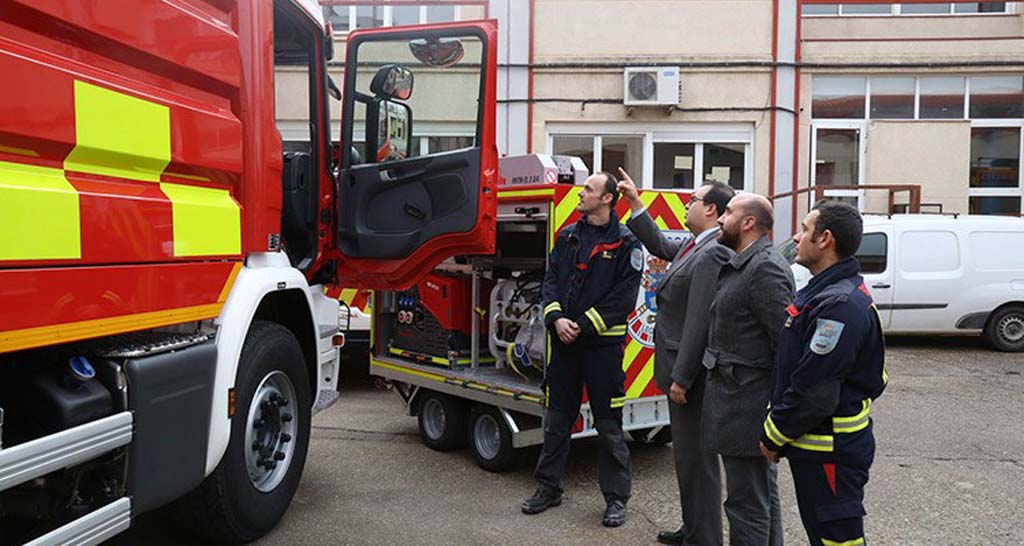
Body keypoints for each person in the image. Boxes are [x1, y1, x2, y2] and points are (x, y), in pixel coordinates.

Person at [759, 201, 887, 546]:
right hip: (818, 447)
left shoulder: (839, 306)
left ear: (825, 239)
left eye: (804, 229)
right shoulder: (823, 293)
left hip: (831, 450)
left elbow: (813, 389)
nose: (797, 237)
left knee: (837, 539)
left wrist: (773, 435)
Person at [617, 170, 734, 546]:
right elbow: (660, 245)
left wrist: (682, 378)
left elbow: (700, 320)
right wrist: (635, 202)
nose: (687, 205)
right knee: (686, 459)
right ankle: (693, 528)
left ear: (712, 209)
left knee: (698, 462)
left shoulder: (714, 249)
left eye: (693, 201)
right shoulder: (694, 243)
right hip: (679, 370)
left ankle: (705, 538)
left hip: (692, 377)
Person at [521, 171, 643, 527]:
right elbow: (551, 282)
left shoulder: (627, 244)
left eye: (588, 189)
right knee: (557, 420)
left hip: (602, 349)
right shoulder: (568, 236)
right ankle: (548, 487)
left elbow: (624, 299)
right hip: (564, 345)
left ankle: (616, 499)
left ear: (607, 198)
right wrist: (556, 319)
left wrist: (583, 324)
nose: (581, 193)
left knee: (609, 427)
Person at [702, 193, 793, 546]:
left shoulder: (765, 268)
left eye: (727, 212)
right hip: (737, 402)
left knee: (745, 504)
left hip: (748, 406)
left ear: (748, 222)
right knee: (759, 497)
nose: (720, 219)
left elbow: (785, 345)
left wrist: (775, 413)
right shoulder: (744, 261)